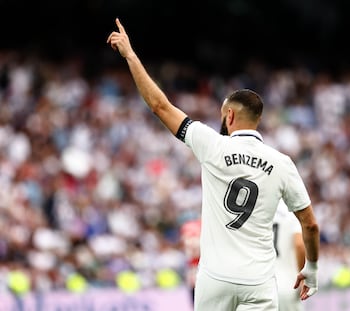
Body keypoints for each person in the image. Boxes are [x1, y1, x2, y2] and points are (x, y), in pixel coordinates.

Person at [107, 18, 320, 311]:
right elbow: (309, 224)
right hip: (257, 280)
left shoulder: (212, 144)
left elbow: (160, 106)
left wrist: (130, 56)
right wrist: (313, 267)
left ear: (229, 116)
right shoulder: (281, 163)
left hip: (214, 279)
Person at [273, 199, 306, 311]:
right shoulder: (292, 209)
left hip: (262, 285)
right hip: (287, 286)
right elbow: (299, 244)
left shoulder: (259, 209)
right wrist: (302, 276)